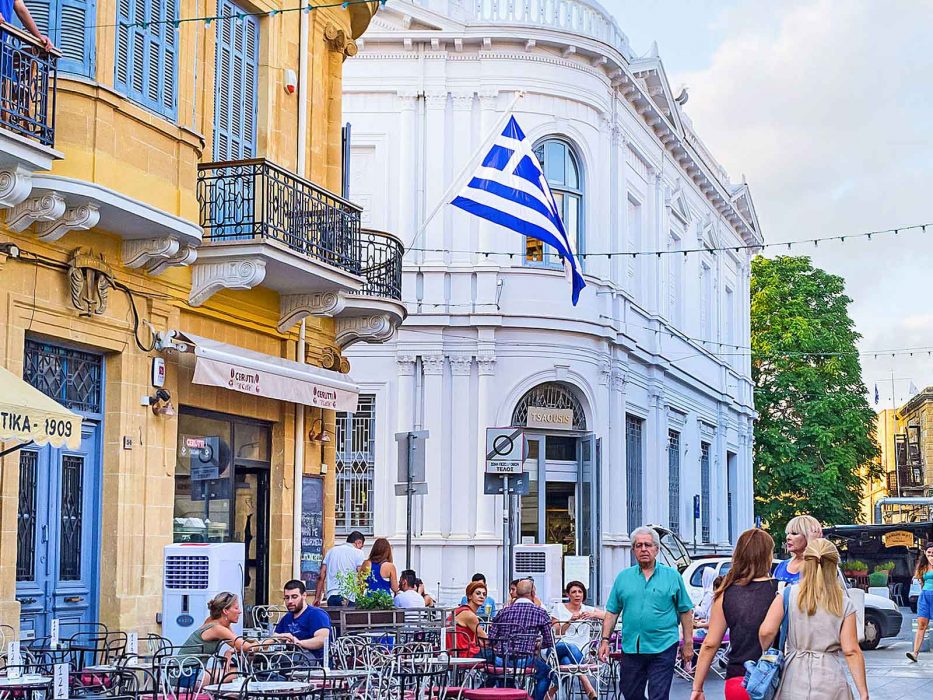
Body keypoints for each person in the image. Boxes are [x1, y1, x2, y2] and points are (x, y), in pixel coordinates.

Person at [759, 538, 868, 700]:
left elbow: (766, 632)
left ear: (806, 562)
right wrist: (863, 692)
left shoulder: (787, 595)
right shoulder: (843, 603)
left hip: (793, 675)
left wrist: (766, 650)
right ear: (834, 567)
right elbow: (851, 650)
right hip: (830, 678)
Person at [598, 526, 694, 700]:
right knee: (630, 691)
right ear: (633, 549)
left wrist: (688, 643)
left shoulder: (672, 576)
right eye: (639, 545)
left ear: (656, 549)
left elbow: (686, 611)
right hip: (632, 648)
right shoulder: (623, 577)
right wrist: (605, 640)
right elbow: (612, 612)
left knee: (658, 695)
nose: (643, 549)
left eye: (648, 545)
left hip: (663, 646)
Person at [691, 528, 779, 700]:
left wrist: (697, 688)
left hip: (738, 679)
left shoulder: (725, 593)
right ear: (768, 556)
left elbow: (710, 644)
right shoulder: (780, 590)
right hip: (774, 679)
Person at [179, 592, 269, 683]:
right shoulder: (218, 629)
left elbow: (237, 643)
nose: (240, 611)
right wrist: (274, 639)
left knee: (238, 676)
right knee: (241, 672)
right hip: (186, 675)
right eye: (236, 608)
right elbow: (248, 647)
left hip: (179, 672)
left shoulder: (214, 621)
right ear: (225, 611)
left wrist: (230, 651)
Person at [487, 579, 554, 700]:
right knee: (547, 673)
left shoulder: (503, 612)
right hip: (525, 660)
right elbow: (549, 641)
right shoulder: (540, 612)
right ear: (533, 593)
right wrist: (536, 645)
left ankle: (508, 694)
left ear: (516, 593)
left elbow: (491, 640)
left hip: (501, 661)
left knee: (504, 675)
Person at [550, 580, 604, 699]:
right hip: (559, 648)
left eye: (580, 592)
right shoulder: (559, 608)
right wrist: (570, 621)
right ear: (568, 595)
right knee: (570, 647)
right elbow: (558, 632)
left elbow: (608, 616)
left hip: (580, 652)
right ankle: (587, 684)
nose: (577, 594)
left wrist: (593, 615)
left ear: (584, 595)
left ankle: (551, 692)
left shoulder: (588, 609)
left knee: (566, 662)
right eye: (574, 592)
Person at [272, 580, 331, 659]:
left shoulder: (317, 614)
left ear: (304, 596)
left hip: (315, 663)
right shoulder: (287, 618)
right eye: (287, 597)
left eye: (294, 597)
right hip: (291, 659)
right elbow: (273, 637)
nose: (290, 601)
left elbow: (322, 640)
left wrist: (298, 643)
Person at [314, 531, 366, 607]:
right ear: (358, 542)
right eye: (361, 546)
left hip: (331, 595)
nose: (361, 548)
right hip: (350, 596)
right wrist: (361, 596)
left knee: (335, 618)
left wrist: (317, 598)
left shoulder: (331, 551)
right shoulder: (358, 553)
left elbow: (321, 576)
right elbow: (361, 576)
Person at [774, 514, 823, 584]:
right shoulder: (782, 565)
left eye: (794, 533)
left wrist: (812, 544)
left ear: (809, 536)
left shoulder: (819, 565)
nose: (788, 537)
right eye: (788, 533)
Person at [907, 541, 933, 662]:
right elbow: (920, 580)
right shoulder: (922, 566)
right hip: (924, 596)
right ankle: (915, 653)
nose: (931, 554)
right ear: (925, 553)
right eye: (929, 552)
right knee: (921, 625)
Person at [448, 580, 489, 656]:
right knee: (503, 656)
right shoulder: (469, 615)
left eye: (484, 594)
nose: (481, 596)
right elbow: (485, 640)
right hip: (465, 654)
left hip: (452, 653)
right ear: (470, 596)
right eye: (478, 593)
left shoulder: (459, 610)